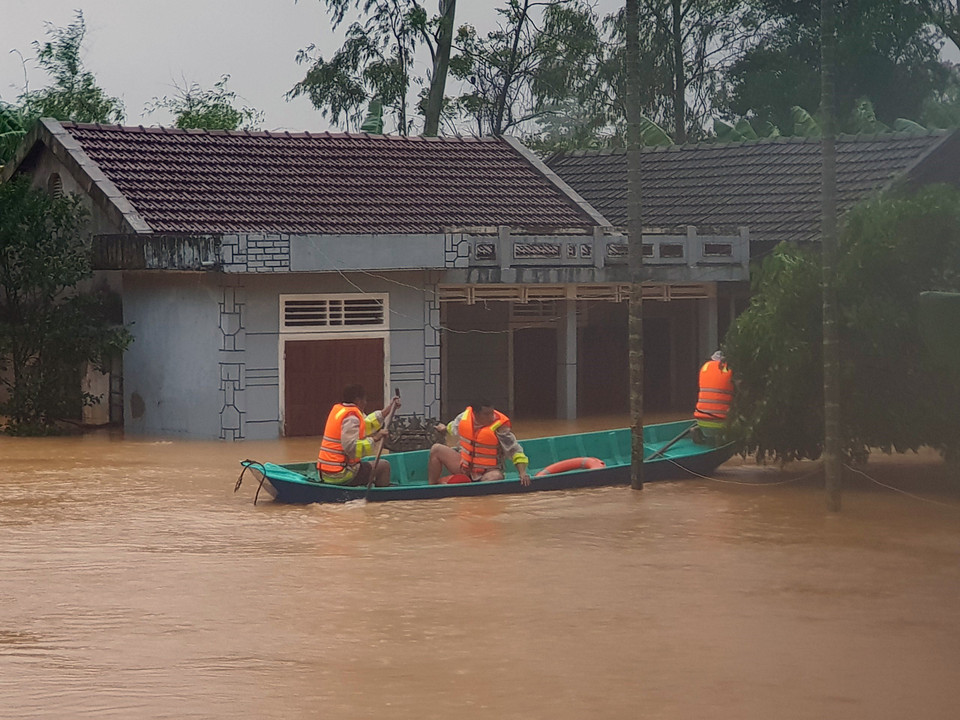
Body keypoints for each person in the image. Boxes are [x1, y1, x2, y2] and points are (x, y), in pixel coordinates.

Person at [428, 400, 531, 486]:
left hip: (489, 471)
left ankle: (470, 487)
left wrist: (522, 473)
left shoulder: (500, 427)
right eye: (486, 414)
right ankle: (432, 486)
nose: (491, 417)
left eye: (492, 413)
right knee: (436, 449)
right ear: (475, 414)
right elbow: (453, 427)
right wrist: (444, 429)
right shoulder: (464, 418)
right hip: (464, 467)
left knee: (495, 477)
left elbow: (514, 450)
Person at [317, 384, 401, 487]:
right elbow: (352, 448)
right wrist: (375, 438)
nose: (365, 403)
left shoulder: (340, 410)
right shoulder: (351, 417)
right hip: (340, 474)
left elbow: (366, 425)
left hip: (325, 472)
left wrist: (389, 408)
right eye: (364, 400)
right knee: (384, 466)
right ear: (358, 400)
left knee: (368, 464)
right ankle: (382, 497)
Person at [693, 350, 734, 443]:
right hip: (721, 420)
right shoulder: (731, 369)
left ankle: (699, 430)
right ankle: (721, 436)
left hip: (700, 417)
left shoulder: (705, 367)